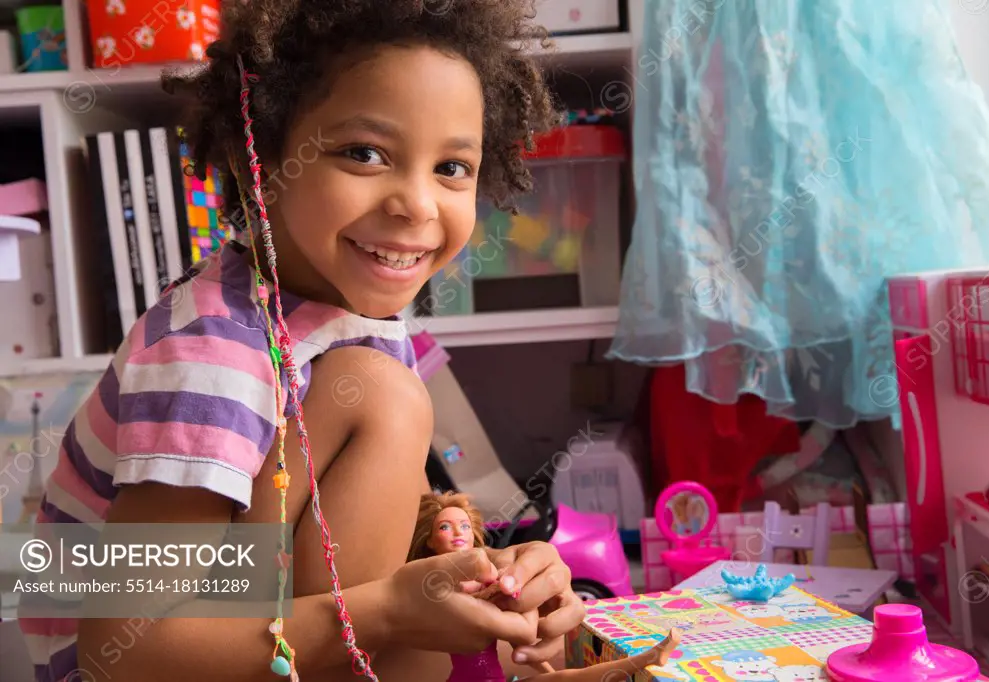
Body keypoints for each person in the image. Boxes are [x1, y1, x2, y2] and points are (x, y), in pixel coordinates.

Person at [21, 2, 585, 681]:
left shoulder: (343, 321)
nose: (417, 204)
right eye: (364, 154)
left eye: (452, 167)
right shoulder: (210, 353)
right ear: (254, 153)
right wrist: (384, 613)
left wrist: (497, 581)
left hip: (248, 620)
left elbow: (354, 552)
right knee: (385, 399)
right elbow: (126, 653)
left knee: (442, 633)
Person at [410, 492, 684, 681]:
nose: (458, 533)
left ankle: (649, 657)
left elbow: (519, 641)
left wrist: (546, 669)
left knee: (566, 678)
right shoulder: (436, 583)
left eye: (465, 526)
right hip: (464, 678)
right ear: (431, 541)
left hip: (495, 673)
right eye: (446, 527)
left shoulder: (487, 573)